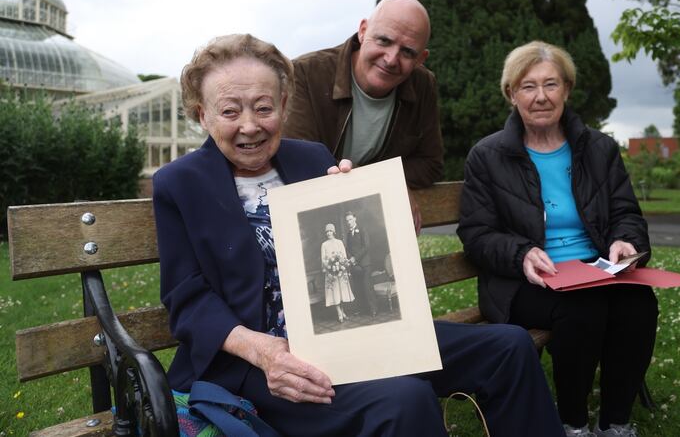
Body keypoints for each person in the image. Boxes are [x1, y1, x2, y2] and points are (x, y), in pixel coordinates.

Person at [154, 33, 564, 437]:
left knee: (509, 347)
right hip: (261, 364)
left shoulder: (311, 157)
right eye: (229, 111)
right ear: (201, 115)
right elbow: (187, 299)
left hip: (353, 333)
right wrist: (263, 351)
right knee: (404, 399)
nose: (250, 126)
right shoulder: (180, 184)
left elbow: (360, 244)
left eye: (263, 108)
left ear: (282, 105)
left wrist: (369, 206)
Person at [458, 40, 659, 437]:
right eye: (528, 86)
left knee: (638, 302)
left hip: (596, 269)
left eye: (551, 84)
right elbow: (476, 234)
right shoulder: (487, 155)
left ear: (566, 89)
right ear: (511, 95)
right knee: (582, 308)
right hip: (525, 280)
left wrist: (625, 241)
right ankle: (573, 423)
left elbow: (626, 213)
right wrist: (521, 253)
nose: (541, 96)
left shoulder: (599, 149)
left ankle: (616, 423)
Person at [284, 0, 444, 232]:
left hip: (371, 226)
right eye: (383, 41)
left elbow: (430, 163)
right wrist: (385, 183)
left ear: (421, 59)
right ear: (362, 31)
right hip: (311, 220)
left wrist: (389, 182)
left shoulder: (423, 85)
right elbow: (298, 163)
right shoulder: (305, 73)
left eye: (408, 52)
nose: (391, 59)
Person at [343, 211, 377, 316]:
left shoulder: (362, 230)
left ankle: (373, 309)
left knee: (367, 287)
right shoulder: (348, 234)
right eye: (347, 220)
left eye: (350, 219)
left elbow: (366, 246)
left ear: (355, 218)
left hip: (365, 263)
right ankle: (363, 309)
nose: (349, 222)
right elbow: (347, 248)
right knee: (358, 288)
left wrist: (355, 258)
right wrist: (350, 259)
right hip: (355, 265)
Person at [321, 223, 355, 323]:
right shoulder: (324, 244)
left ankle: (343, 311)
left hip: (341, 271)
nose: (328, 233)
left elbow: (343, 256)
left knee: (341, 292)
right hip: (331, 272)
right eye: (327, 231)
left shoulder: (339, 242)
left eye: (330, 231)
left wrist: (341, 265)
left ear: (334, 232)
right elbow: (323, 259)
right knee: (334, 292)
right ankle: (339, 313)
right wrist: (330, 267)